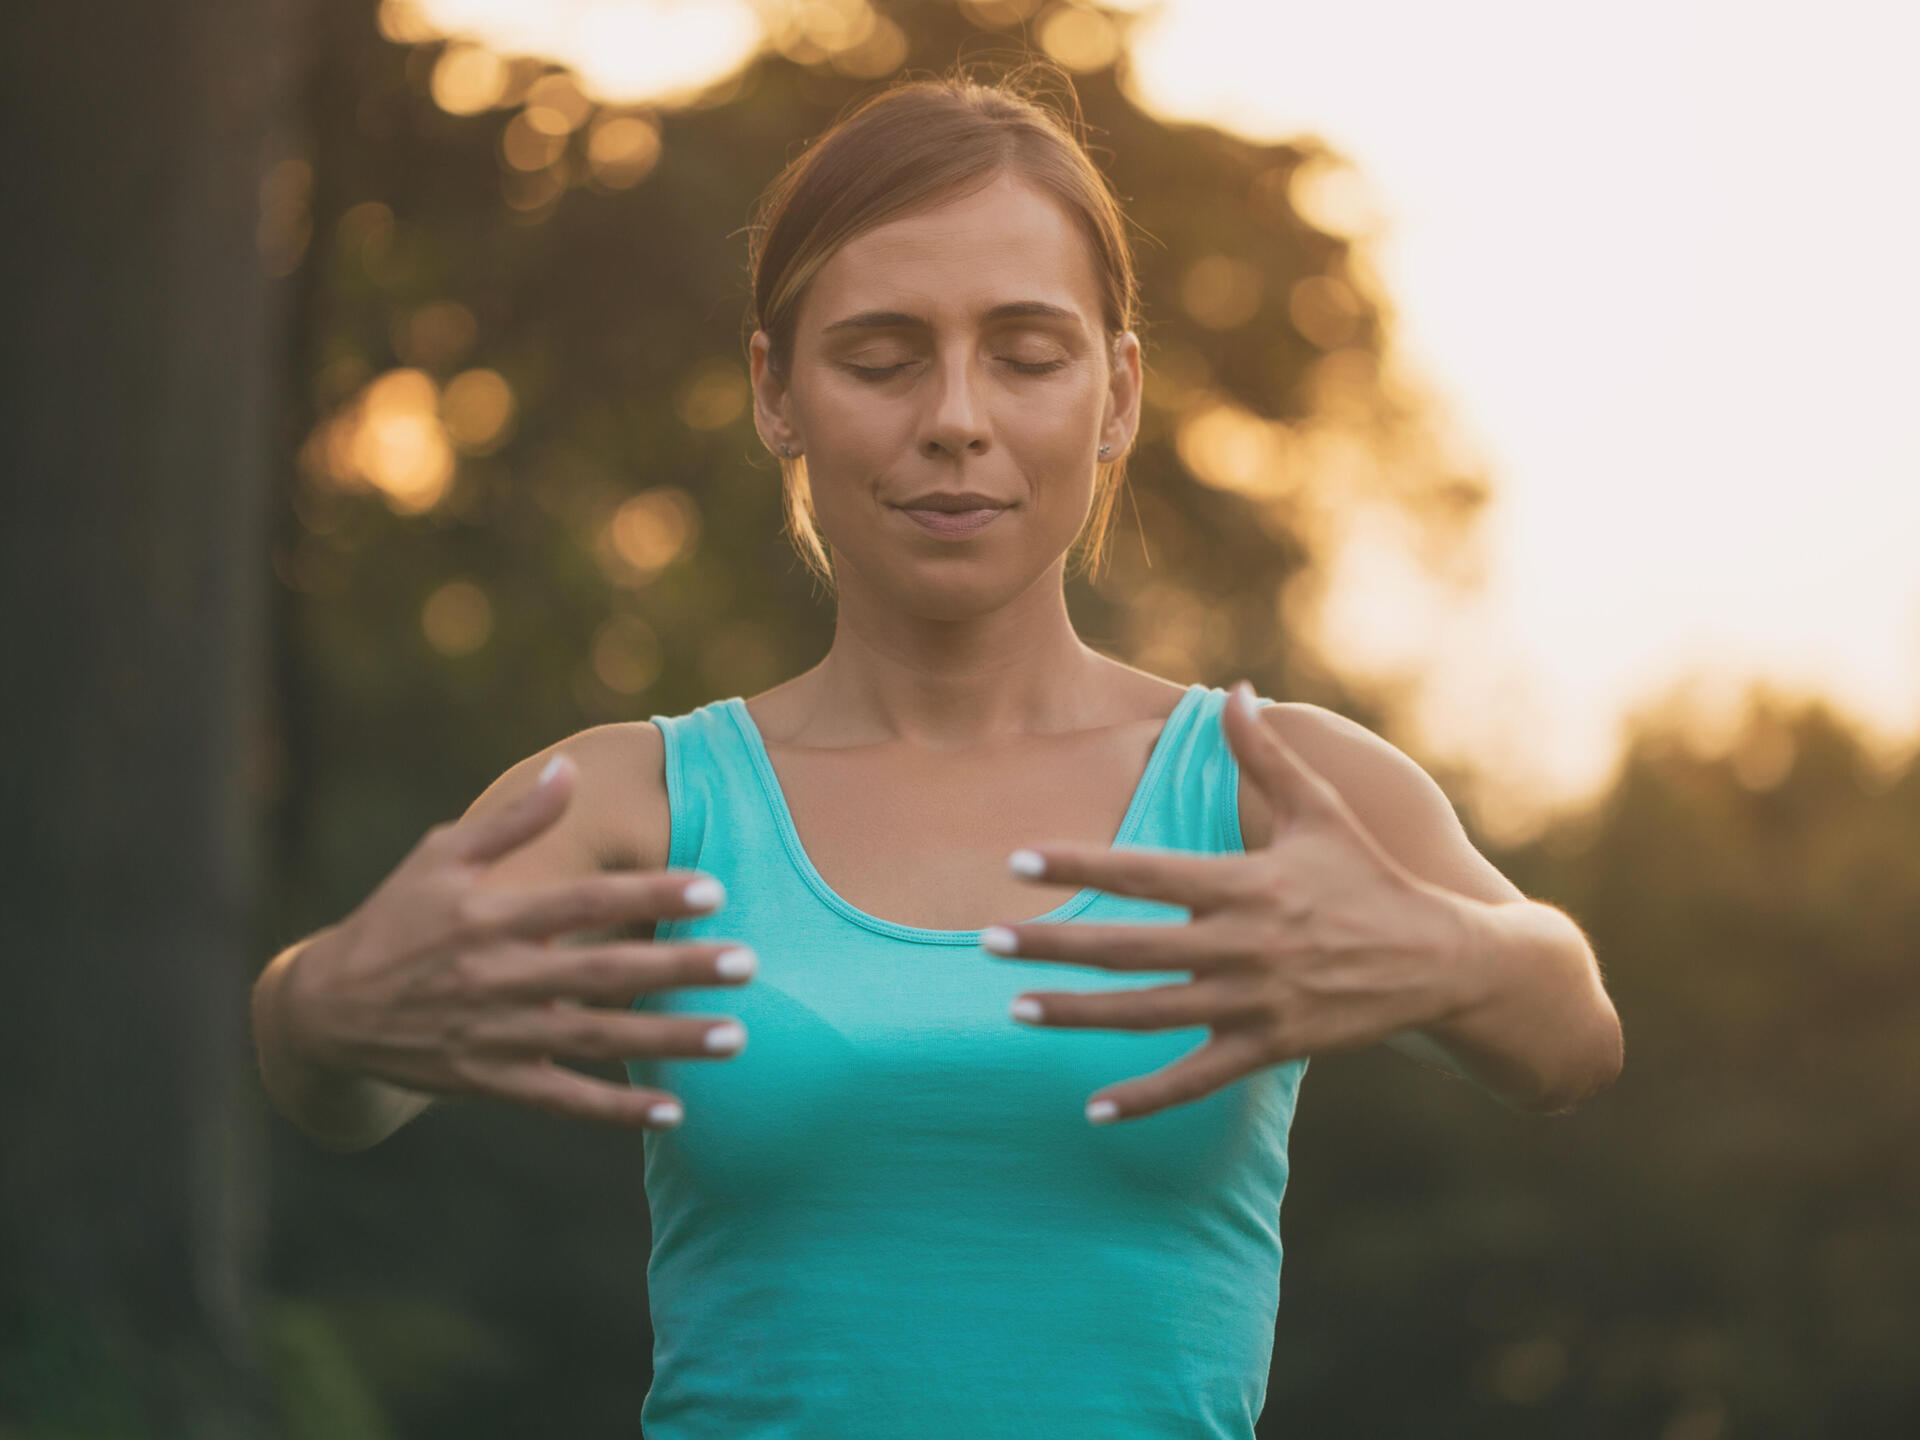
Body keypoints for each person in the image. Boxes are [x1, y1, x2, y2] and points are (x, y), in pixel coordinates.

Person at [251, 66, 1623, 1440]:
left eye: (1027, 356)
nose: (956, 416)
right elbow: (339, 1078)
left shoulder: (1274, 786)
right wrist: (321, 1009)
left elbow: (1570, 1039)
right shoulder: (640, 803)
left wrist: (1451, 956)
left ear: (1119, 395)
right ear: (775, 391)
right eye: (881, 356)